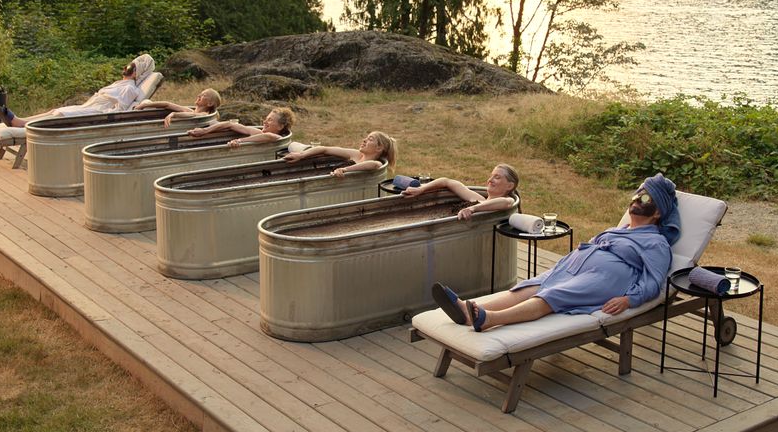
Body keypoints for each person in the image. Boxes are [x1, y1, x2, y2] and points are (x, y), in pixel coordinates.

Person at [431, 173, 681, 332]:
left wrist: (629, 300)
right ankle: (465, 310)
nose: (636, 202)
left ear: (658, 213)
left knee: (554, 295)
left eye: (646, 200)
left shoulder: (656, 243)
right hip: (576, 267)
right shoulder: (617, 230)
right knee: (530, 286)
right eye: (637, 197)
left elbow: (654, 281)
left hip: (607, 280)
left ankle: (490, 319)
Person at [0, 53, 155, 127]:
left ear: (136, 73)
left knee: (59, 115)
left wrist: (101, 117)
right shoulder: (120, 83)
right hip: (90, 106)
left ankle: (19, 123)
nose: (126, 68)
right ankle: (20, 120)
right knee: (55, 111)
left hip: (97, 112)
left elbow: (118, 112)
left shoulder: (129, 88)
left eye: (131, 67)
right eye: (129, 65)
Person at [402, 164, 520, 221]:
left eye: (497, 177)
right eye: (491, 176)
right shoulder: (478, 199)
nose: (490, 180)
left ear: (509, 186)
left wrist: (473, 209)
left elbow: (506, 203)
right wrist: (422, 189)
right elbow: (447, 182)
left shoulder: (507, 201)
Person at [281, 131, 397, 177]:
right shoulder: (356, 154)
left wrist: (345, 170)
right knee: (293, 147)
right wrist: (301, 155)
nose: (364, 140)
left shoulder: (376, 163)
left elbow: (372, 165)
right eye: (366, 138)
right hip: (325, 176)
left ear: (379, 148)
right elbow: (325, 149)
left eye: (370, 139)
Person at [186, 106, 295, 147]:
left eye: (270, 120)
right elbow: (231, 124)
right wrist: (205, 131)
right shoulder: (259, 133)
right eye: (265, 119)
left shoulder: (279, 139)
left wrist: (240, 141)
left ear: (280, 126)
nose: (265, 122)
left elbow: (270, 137)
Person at [134, 88, 221, 127]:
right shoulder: (190, 110)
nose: (199, 95)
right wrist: (145, 105)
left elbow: (194, 116)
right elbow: (167, 104)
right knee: (146, 102)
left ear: (209, 103)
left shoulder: (204, 114)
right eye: (200, 94)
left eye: (203, 95)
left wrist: (174, 114)